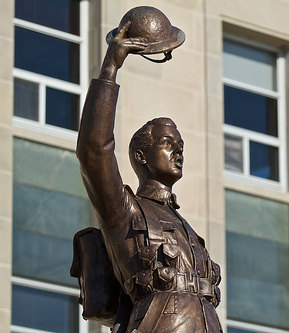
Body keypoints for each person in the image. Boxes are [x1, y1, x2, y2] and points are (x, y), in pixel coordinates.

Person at [76, 17, 222, 333]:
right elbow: (93, 151)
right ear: (141, 156)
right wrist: (109, 70)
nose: (179, 152)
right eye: (168, 144)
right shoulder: (127, 213)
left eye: (181, 145)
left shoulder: (188, 230)